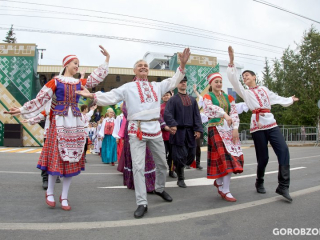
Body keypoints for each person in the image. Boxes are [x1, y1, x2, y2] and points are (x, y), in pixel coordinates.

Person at [76, 48, 191, 218]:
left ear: (148, 70)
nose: (143, 67)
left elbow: (175, 80)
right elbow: (111, 96)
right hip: (136, 130)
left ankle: (159, 188)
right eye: (140, 65)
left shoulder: (157, 86)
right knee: (138, 167)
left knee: (163, 165)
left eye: (145, 65)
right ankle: (142, 202)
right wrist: (92, 95)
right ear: (134, 70)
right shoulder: (128, 87)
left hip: (154, 130)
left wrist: (182, 64)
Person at [5, 45, 110, 210]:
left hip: (74, 124)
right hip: (59, 123)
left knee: (72, 159)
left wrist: (106, 60)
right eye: (74, 63)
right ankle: (50, 192)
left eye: (78, 63)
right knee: (57, 159)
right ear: (66, 64)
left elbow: (94, 80)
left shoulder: (79, 83)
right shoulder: (55, 82)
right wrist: (21, 109)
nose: (77, 66)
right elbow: (40, 100)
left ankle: (65, 196)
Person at [227, 46, 299, 202]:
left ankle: (283, 186)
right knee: (263, 158)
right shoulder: (245, 92)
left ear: (254, 77)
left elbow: (278, 98)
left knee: (284, 150)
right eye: (243, 76)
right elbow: (234, 81)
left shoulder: (265, 89)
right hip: (257, 125)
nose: (244, 77)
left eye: (247, 75)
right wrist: (232, 62)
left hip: (271, 123)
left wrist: (290, 100)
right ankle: (259, 181)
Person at [203, 72, 244, 202]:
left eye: (220, 81)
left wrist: (236, 128)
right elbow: (209, 108)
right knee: (226, 157)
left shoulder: (229, 97)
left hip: (228, 129)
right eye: (216, 82)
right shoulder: (207, 96)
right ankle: (225, 189)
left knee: (230, 157)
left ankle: (220, 182)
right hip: (215, 128)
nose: (219, 84)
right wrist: (223, 114)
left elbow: (234, 113)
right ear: (211, 84)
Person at [164, 76, 203, 188]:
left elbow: (197, 115)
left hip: (190, 132)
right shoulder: (172, 100)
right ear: (177, 85)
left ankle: (178, 166)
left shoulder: (192, 100)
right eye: (181, 82)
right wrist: (173, 124)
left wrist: (198, 129)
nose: (183, 84)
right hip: (178, 132)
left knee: (191, 154)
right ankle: (181, 178)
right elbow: (167, 114)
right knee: (179, 155)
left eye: (185, 82)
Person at [21, 98, 61, 189]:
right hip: (49, 132)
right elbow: (43, 113)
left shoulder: (64, 100)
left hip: (60, 132)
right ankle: (45, 178)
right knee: (46, 155)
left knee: (58, 154)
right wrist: (29, 119)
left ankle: (56, 173)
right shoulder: (49, 99)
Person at [119, 102, 156, 191]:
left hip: (147, 128)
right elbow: (125, 110)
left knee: (147, 155)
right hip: (133, 128)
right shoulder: (128, 98)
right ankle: (134, 183)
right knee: (135, 156)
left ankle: (149, 184)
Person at [160, 91, 177, 178]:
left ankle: (171, 170)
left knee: (172, 154)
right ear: (162, 97)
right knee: (162, 154)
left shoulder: (175, 106)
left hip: (173, 134)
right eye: (164, 95)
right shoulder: (159, 108)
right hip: (162, 135)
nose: (166, 97)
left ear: (171, 96)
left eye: (168, 95)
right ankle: (162, 171)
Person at [192, 84, 208, 170]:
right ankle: (189, 162)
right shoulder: (189, 113)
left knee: (198, 147)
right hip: (189, 131)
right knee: (189, 147)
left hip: (198, 131)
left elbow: (201, 98)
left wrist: (195, 91)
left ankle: (197, 163)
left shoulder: (200, 115)